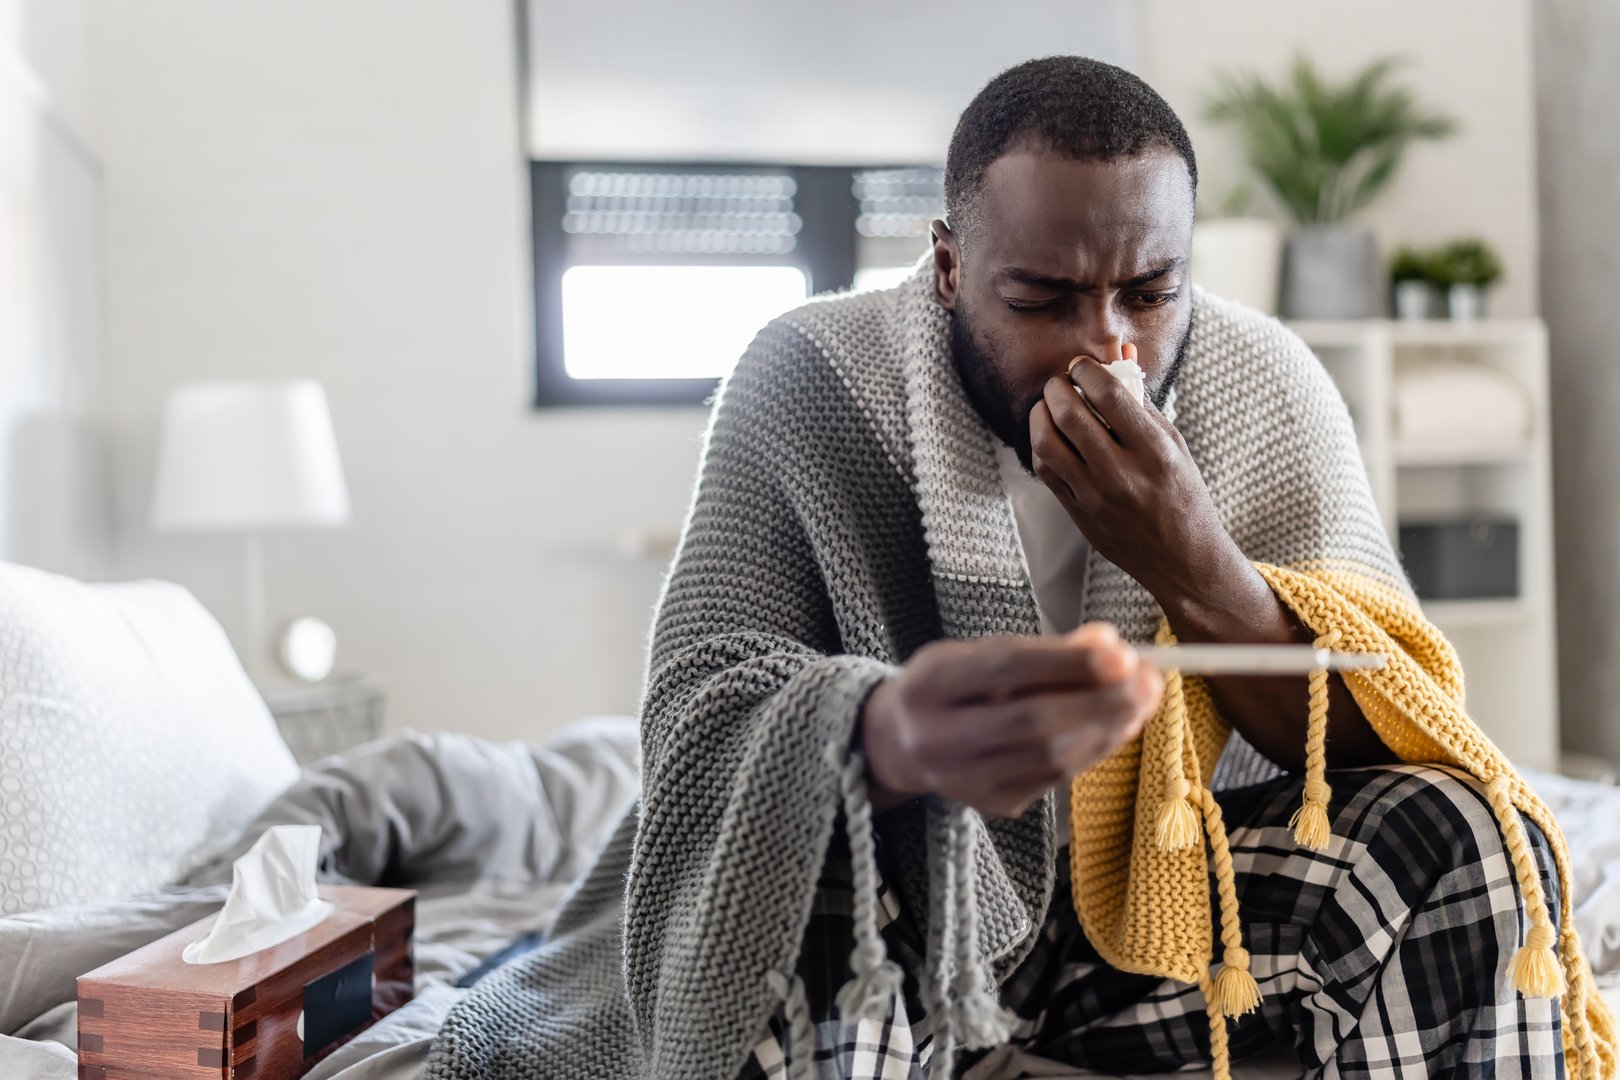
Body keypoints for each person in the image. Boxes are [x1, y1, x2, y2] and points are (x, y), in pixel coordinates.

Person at [426, 57, 1614, 1080]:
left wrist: (1195, 564)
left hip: (1159, 906)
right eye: (1043, 297)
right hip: (916, 898)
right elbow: (700, 720)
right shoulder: (808, 379)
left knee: (1457, 832)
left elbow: (1385, 730)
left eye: (1150, 293)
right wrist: (883, 734)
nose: (1109, 345)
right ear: (948, 266)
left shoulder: (1269, 383)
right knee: (836, 841)